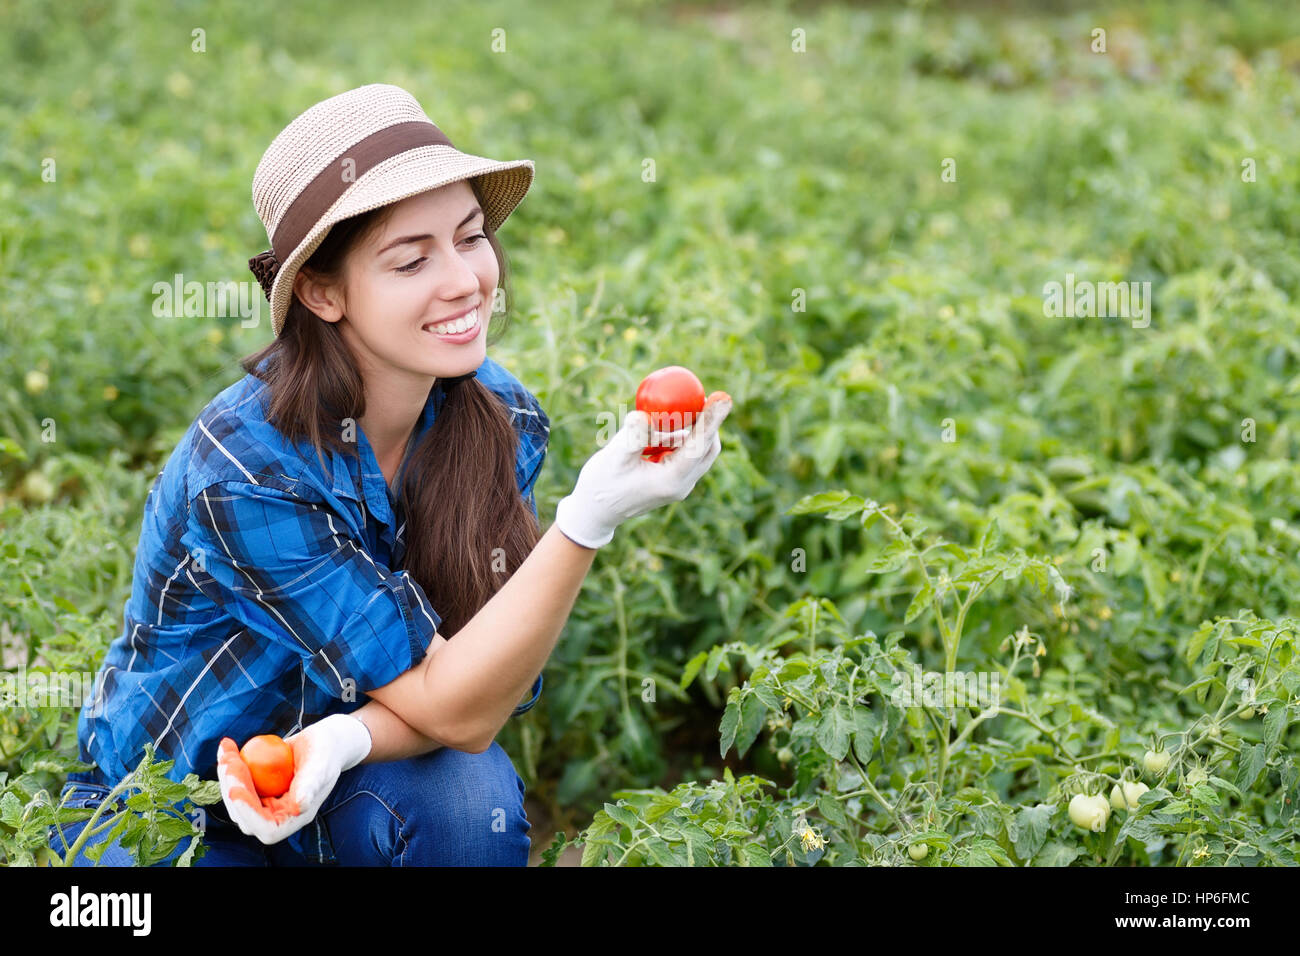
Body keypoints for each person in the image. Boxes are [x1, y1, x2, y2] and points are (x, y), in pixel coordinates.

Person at [48, 83, 732, 866]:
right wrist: (588, 520)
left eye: (470, 238)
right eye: (411, 259)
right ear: (322, 291)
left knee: (467, 803)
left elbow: (483, 692)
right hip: (171, 806)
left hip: (352, 781)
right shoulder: (246, 466)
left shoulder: (498, 418)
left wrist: (341, 740)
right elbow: (454, 702)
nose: (464, 281)